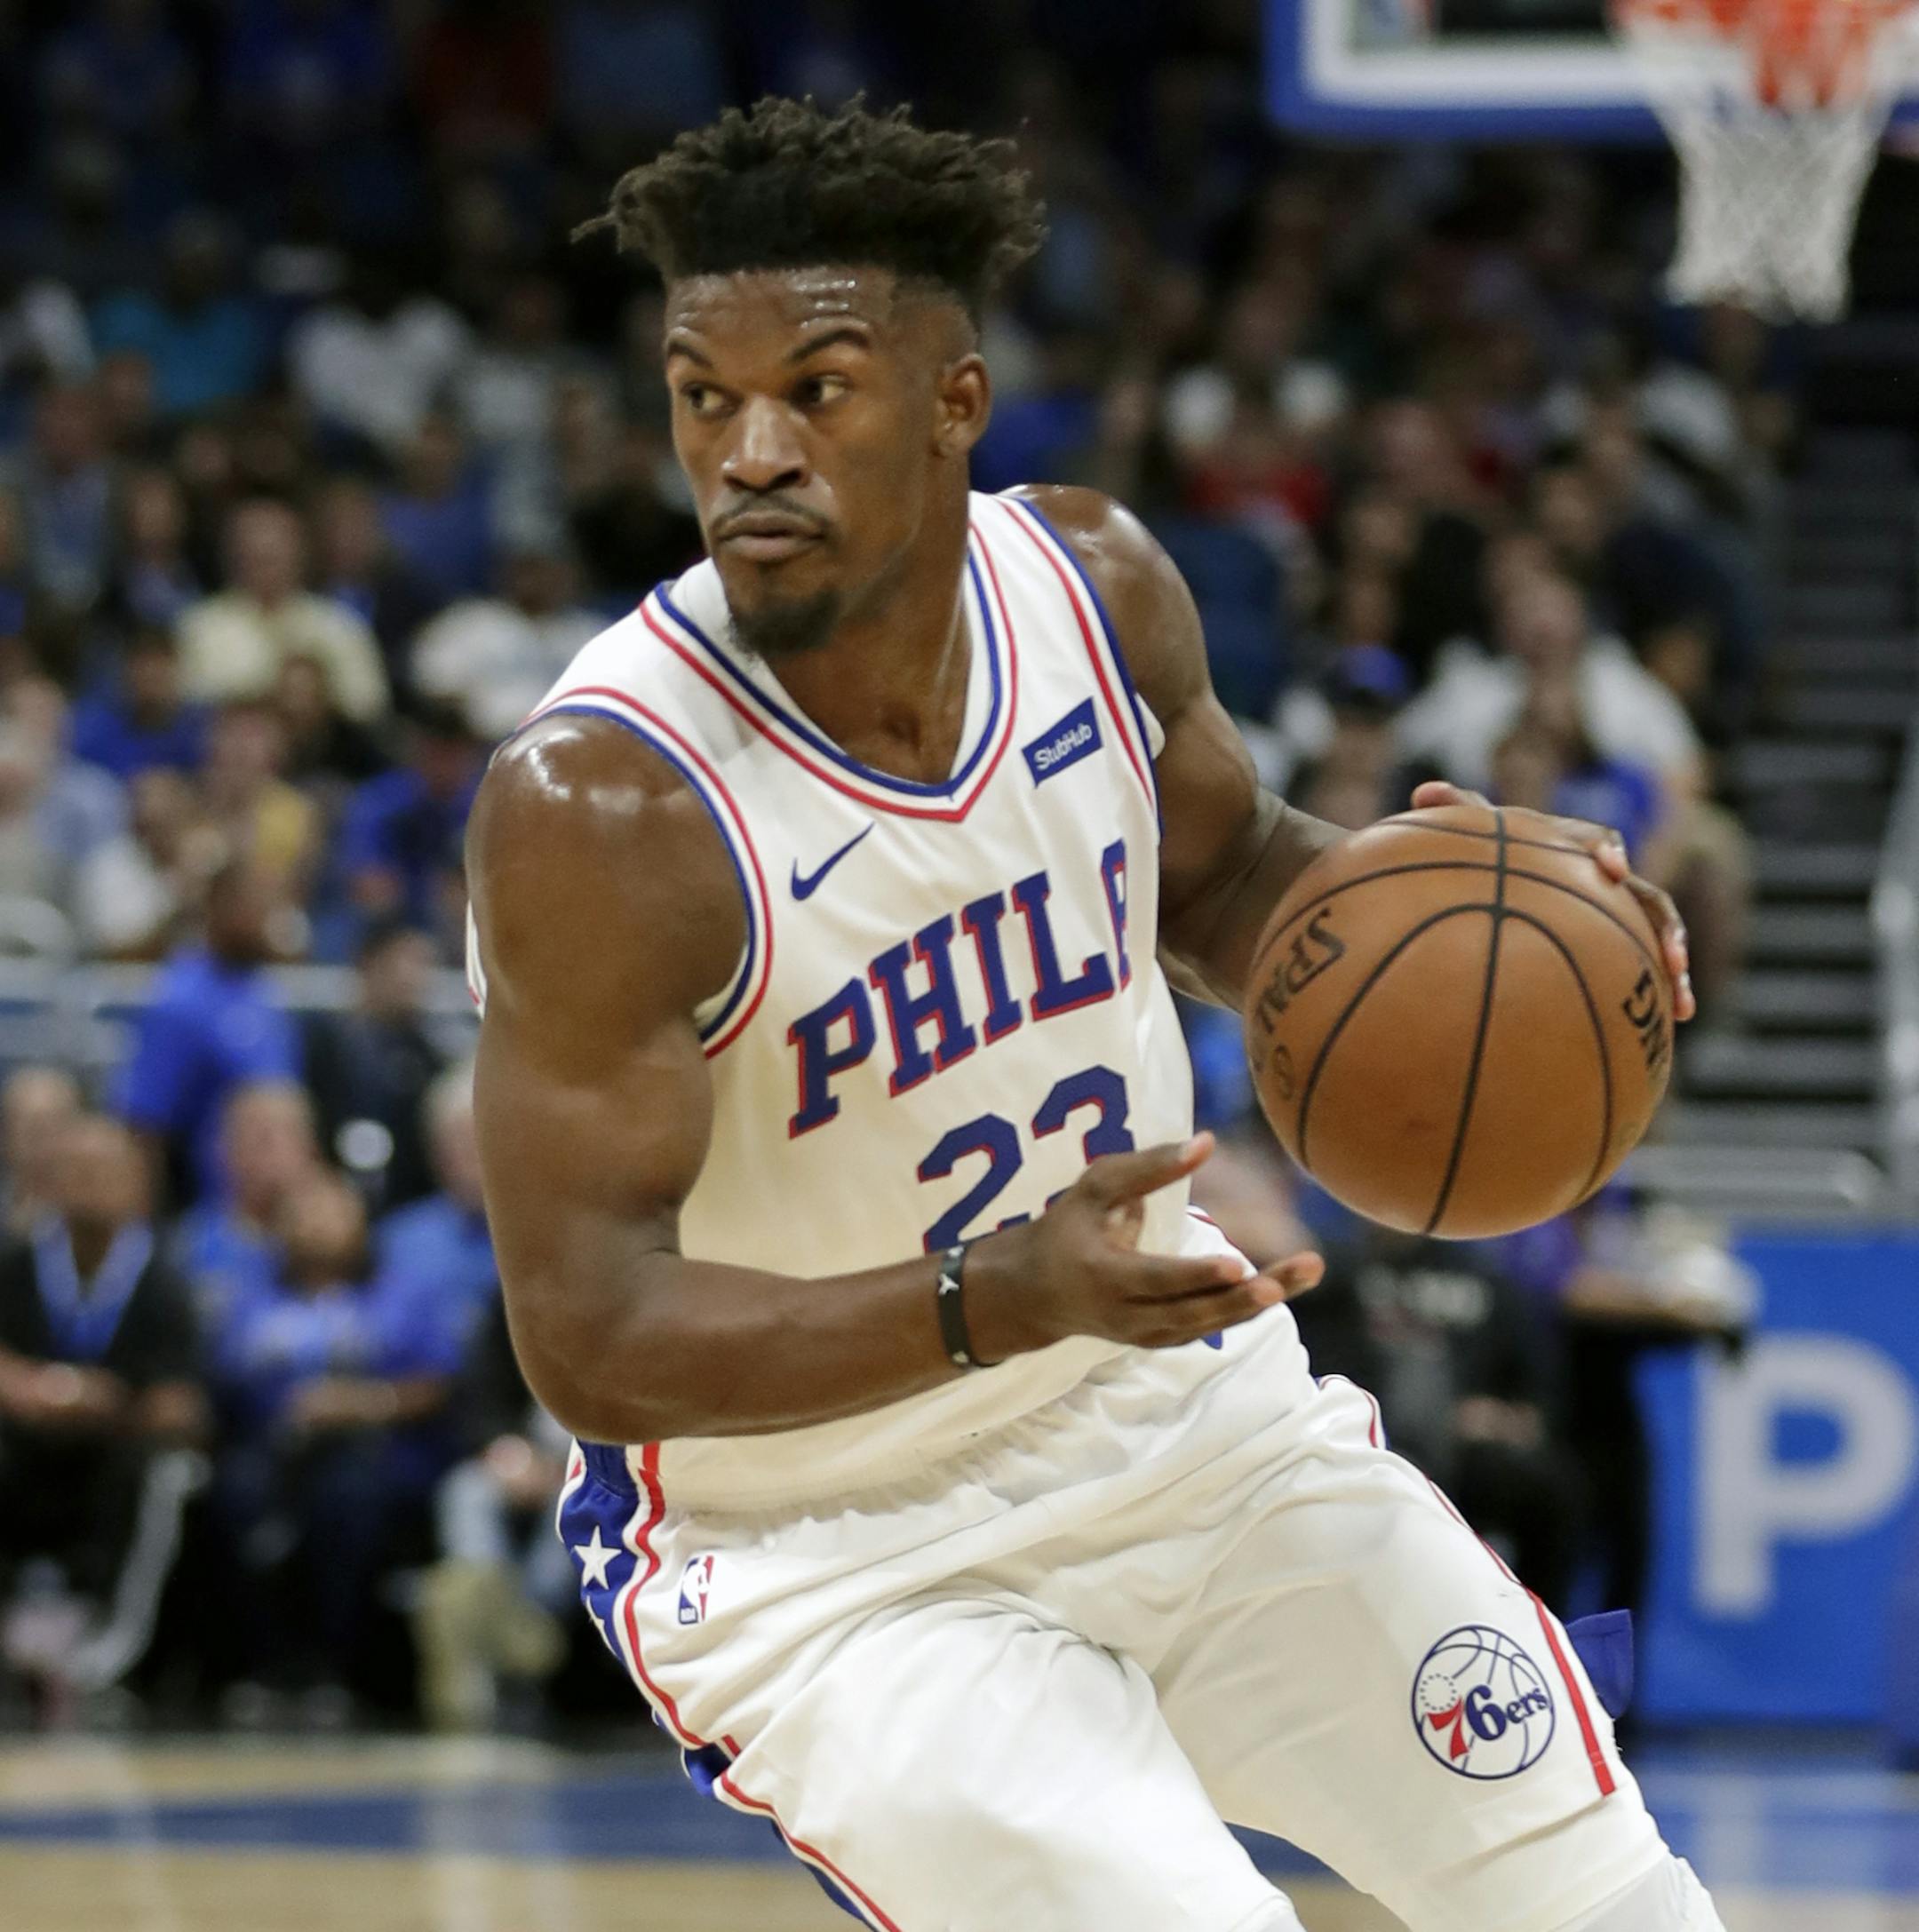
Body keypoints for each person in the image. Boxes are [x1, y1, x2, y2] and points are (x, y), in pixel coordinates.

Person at [466, 100, 1717, 1932]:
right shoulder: (610, 806)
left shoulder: (1094, 584)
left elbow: (1226, 880)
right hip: (836, 1561)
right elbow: (591, 1332)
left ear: (954, 401)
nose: (749, 450)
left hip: (1187, 1430)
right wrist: (996, 1296)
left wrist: (1503, 917)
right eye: (701, 393)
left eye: (818, 389)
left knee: (1611, 1906)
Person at [0, 1113, 205, 1701]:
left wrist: (104, 1404)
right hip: (27, 1440)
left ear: (138, 1184)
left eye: (104, 1170)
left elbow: (181, 1401)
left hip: (119, 1445)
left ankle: (109, 1652)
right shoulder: (17, 1264)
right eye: (75, 1170)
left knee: (163, 1473)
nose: (89, 1184)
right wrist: (26, 1385)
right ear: (47, 1180)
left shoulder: (167, 1276)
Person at [115, 857, 302, 1204]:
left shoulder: (264, 990)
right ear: (216, 906)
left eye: (269, 905)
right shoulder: (179, 999)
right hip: (210, 1206)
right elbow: (145, 1124)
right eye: (253, 904)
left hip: (278, 1203)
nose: (265, 918)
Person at [176, 497, 389, 724]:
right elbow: (185, 709)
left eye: (274, 556)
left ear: (301, 554)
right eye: (253, 555)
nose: (264, 566)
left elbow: (368, 706)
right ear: (232, 557)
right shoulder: (199, 626)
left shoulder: (340, 625)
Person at [303, 919, 447, 1208]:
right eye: (406, 961)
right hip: (332, 1194)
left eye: (425, 964)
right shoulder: (325, 1043)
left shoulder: (429, 1055)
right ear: (369, 963)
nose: (415, 978)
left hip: (409, 1201)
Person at [170, 1078, 322, 1337]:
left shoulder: (343, 1247)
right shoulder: (186, 1246)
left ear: (312, 1150)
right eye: (256, 1136)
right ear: (222, 1150)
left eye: (285, 1134)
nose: (270, 1150)